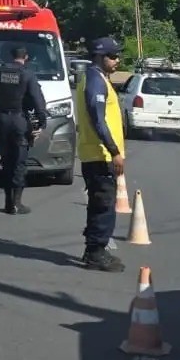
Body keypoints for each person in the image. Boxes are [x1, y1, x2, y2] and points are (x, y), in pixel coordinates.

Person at [75, 37, 127, 273]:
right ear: (99, 56)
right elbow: (98, 119)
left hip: (96, 153)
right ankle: (96, 252)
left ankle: (94, 249)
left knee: (99, 203)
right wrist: (114, 151)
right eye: (113, 56)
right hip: (100, 154)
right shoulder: (95, 81)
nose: (117, 60)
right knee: (104, 205)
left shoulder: (96, 78)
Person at [0, 46, 47, 216]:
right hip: (19, 120)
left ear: (12, 56)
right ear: (25, 57)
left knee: (6, 162)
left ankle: (7, 202)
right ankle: (16, 203)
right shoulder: (27, 74)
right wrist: (42, 121)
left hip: (3, 120)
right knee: (19, 162)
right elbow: (37, 99)